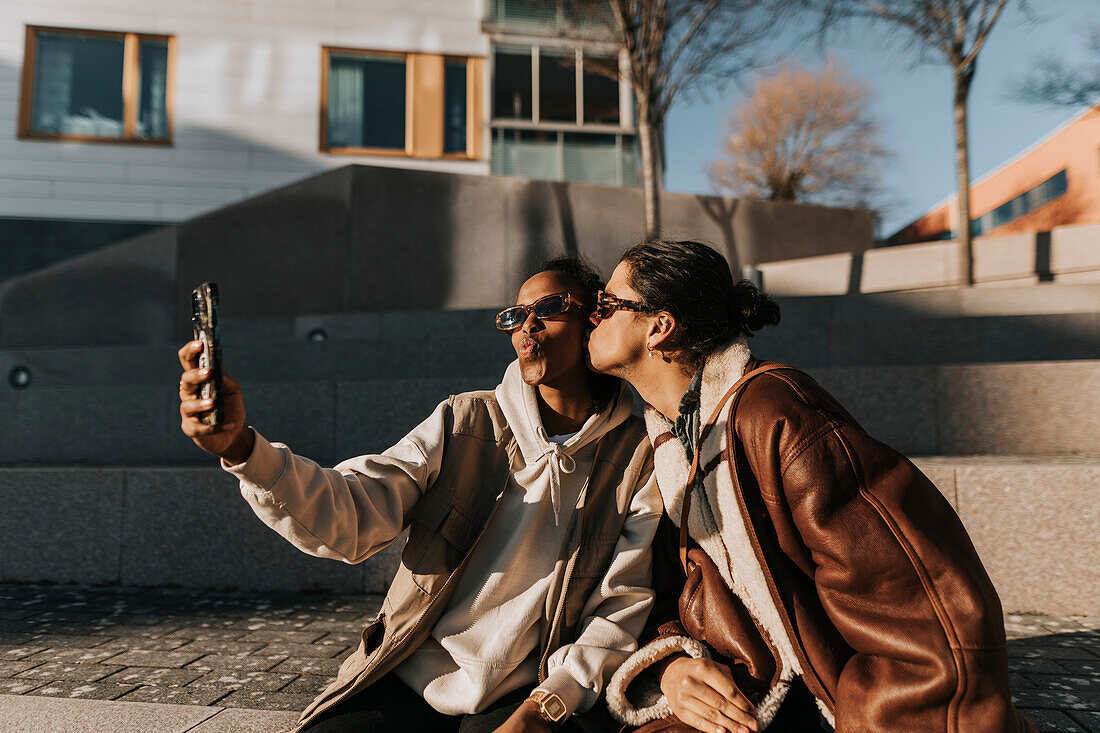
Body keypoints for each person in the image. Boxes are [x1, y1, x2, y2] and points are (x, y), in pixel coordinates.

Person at [177, 256, 662, 733]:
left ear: (593, 319)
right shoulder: (465, 422)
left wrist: (552, 702)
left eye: (550, 307)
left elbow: (622, 601)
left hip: (530, 687)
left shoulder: (637, 451)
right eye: (515, 315)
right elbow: (356, 508)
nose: (526, 326)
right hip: (413, 670)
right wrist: (244, 449)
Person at [586, 240, 1036, 733]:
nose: (593, 315)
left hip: (840, 702)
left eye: (608, 304)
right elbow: (670, 589)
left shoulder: (776, 414)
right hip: (752, 686)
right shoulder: (671, 439)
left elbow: (914, 601)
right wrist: (672, 666)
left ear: (659, 326)